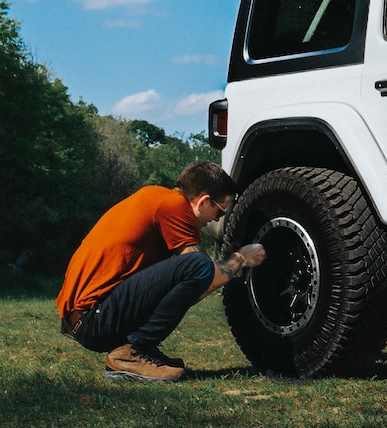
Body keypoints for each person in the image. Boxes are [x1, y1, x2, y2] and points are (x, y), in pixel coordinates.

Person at [58, 161, 266, 382]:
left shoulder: (155, 198)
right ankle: (131, 352)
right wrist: (241, 258)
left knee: (195, 267)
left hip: (82, 320)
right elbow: (204, 276)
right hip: (94, 320)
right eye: (220, 211)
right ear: (204, 201)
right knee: (198, 265)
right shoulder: (174, 205)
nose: (215, 220)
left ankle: (141, 349)